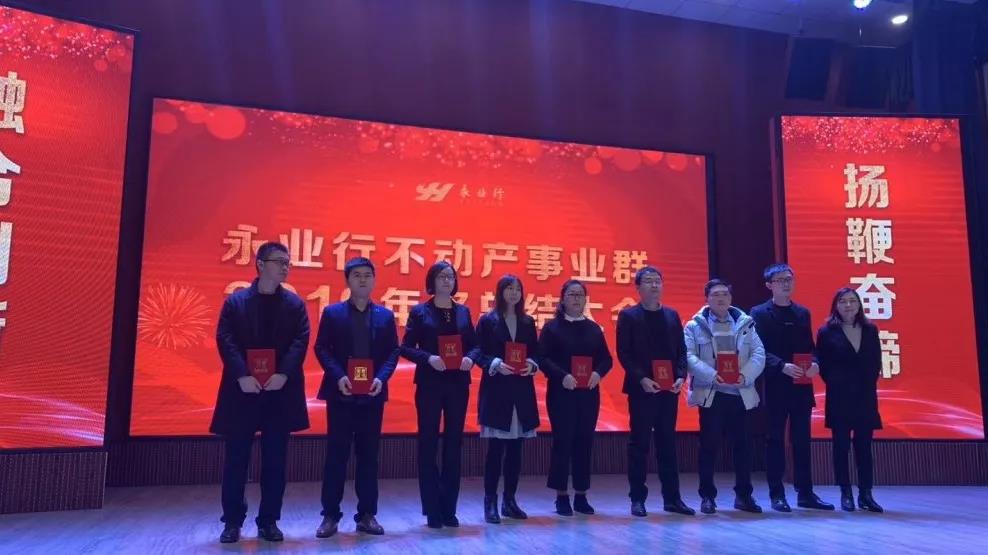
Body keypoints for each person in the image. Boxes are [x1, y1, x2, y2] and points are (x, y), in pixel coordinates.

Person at [211, 242, 311, 543]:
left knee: (275, 461)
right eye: (279, 261)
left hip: (278, 392)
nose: (285, 267)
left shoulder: (294, 304)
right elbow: (225, 339)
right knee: (236, 460)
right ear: (260, 264)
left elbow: (300, 341)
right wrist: (242, 374)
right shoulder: (237, 302)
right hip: (243, 391)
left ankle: (269, 521)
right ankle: (232, 521)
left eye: (288, 263)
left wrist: (283, 374)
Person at [313, 257, 399, 538]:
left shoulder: (385, 316)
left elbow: (393, 352)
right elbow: (321, 348)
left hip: (372, 395)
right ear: (348, 281)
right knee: (336, 456)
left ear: (374, 280)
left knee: (369, 457)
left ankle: (367, 515)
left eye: (367, 275)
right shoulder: (333, 313)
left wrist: (381, 378)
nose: (363, 280)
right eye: (357, 275)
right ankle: (330, 516)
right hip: (342, 393)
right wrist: (338, 376)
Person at [400, 261, 479, 528]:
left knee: (454, 444)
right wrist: (429, 358)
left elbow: (475, 346)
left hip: (458, 384)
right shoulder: (420, 312)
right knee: (428, 443)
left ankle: (449, 509)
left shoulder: (463, 312)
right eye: (442, 276)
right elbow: (406, 347)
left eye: (451, 277)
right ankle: (432, 509)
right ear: (432, 281)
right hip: (430, 383)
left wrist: (470, 358)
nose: (447, 280)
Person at [750, 264, 834, 512]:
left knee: (802, 441)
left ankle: (805, 493)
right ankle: (777, 494)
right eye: (780, 280)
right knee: (775, 440)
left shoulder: (802, 313)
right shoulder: (759, 313)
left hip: (801, 385)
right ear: (769, 285)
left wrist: (816, 363)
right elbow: (757, 349)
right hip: (776, 384)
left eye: (789, 279)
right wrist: (781, 366)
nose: (786, 283)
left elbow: (810, 347)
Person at [617, 266, 695, 517]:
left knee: (667, 444)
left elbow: (681, 351)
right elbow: (624, 353)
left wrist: (681, 376)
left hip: (668, 390)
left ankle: (672, 499)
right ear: (637, 288)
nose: (654, 285)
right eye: (648, 281)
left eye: (658, 281)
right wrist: (641, 378)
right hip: (643, 389)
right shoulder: (629, 316)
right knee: (639, 444)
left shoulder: (672, 315)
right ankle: (637, 499)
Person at [684, 279, 765, 515]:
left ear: (731, 298)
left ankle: (744, 496)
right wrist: (711, 375)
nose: (721, 298)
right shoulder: (694, 325)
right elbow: (688, 356)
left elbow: (759, 353)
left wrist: (745, 375)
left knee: (743, 448)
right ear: (707, 299)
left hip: (740, 394)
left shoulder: (745, 323)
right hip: (712, 394)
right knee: (708, 448)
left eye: (725, 295)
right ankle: (707, 496)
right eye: (716, 295)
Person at [538, 279, 613, 516]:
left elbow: (606, 359)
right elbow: (542, 358)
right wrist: (562, 376)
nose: (576, 299)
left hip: (588, 394)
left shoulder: (593, 328)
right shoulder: (552, 328)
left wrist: (597, 374)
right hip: (562, 393)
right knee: (563, 442)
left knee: (584, 442)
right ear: (562, 299)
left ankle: (581, 494)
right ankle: (561, 496)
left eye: (580, 294)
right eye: (571, 294)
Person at [474, 274, 540, 524]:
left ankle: (509, 501)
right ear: (500, 292)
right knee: (495, 451)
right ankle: (489, 501)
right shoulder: (488, 320)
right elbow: (477, 352)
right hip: (497, 391)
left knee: (515, 450)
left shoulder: (527, 321)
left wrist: (532, 364)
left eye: (517, 289)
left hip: (521, 391)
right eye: (509, 288)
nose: (514, 293)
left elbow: (536, 352)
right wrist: (494, 363)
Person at [816, 287, 884, 513]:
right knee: (841, 446)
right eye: (843, 301)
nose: (848, 305)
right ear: (836, 305)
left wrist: (865, 384)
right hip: (839, 397)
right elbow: (823, 365)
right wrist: (838, 383)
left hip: (865, 397)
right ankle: (845, 492)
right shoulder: (827, 331)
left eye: (852, 301)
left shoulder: (870, 329)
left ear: (859, 305)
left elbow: (876, 361)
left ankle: (866, 494)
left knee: (864, 447)